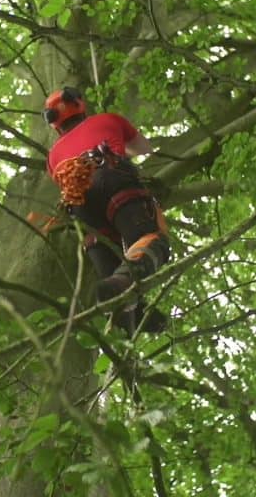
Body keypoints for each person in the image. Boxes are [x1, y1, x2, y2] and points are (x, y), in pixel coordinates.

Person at [43, 86, 171, 334]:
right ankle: (124, 287)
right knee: (151, 242)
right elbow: (144, 149)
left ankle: (129, 309)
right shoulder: (107, 119)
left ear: (54, 124)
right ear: (80, 105)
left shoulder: (53, 156)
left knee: (113, 276)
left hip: (81, 208)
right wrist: (116, 133)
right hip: (113, 180)